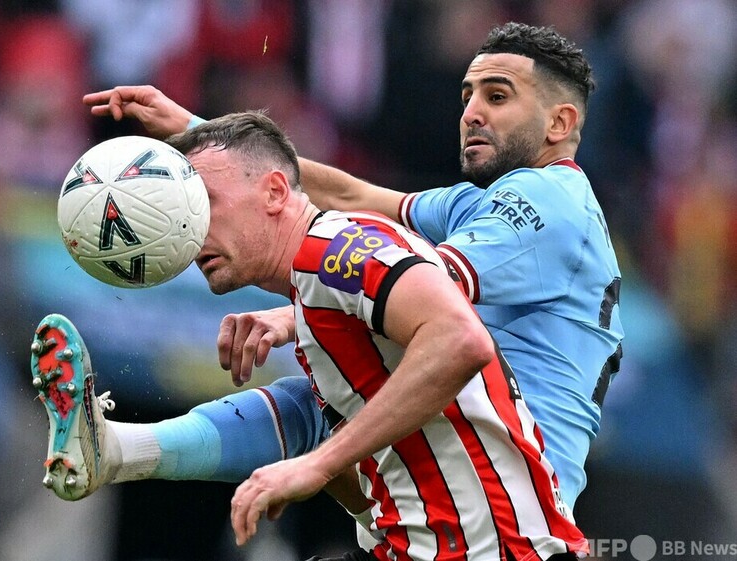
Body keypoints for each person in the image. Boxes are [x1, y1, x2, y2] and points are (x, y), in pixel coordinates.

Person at [76, 22, 624, 511]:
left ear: (560, 122)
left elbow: (422, 284)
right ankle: (119, 448)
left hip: (511, 491)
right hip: (466, 472)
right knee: (326, 390)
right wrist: (203, 132)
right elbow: (350, 194)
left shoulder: (550, 200)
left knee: (336, 373)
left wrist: (293, 315)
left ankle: (124, 448)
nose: (471, 113)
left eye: (497, 96)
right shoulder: (478, 203)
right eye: (468, 96)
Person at [32, 110, 587, 560]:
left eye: (207, 203)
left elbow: (461, 341)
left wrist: (313, 466)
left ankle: (119, 451)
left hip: (497, 552)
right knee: (306, 413)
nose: (192, 228)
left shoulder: (335, 250)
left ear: (275, 192)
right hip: (416, 548)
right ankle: (117, 450)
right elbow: (365, 463)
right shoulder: (316, 296)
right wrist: (324, 474)